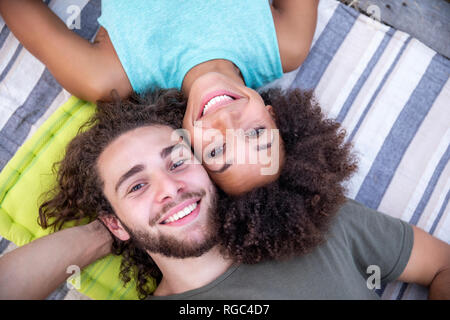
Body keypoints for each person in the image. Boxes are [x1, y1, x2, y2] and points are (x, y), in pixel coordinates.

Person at [1, 88, 448, 300]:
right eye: (136, 185)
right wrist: (102, 235)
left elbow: (442, 266)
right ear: (115, 220)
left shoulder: (320, 224)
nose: (170, 188)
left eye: (178, 161)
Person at [0, 0, 319, 194]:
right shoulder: (285, 43)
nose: (226, 122)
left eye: (218, 149)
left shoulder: (109, 76)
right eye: (256, 133)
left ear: (187, 146)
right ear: (273, 115)